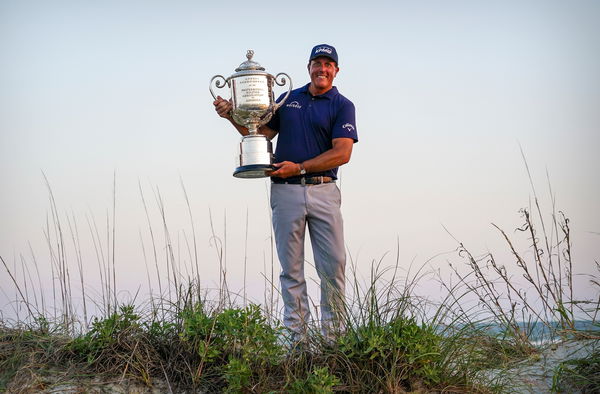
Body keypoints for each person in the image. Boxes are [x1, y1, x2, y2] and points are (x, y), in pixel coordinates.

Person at [213, 44, 358, 341]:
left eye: (328, 64)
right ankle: (298, 344)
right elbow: (259, 135)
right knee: (290, 272)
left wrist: (300, 168)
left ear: (336, 71)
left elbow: (342, 153)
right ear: (308, 67)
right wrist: (231, 115)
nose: (322, 69)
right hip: (285, 193)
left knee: (333, 270)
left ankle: (333, 344)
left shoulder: (343, 105)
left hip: (323, 192)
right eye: (317, 63)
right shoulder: (288, 98)